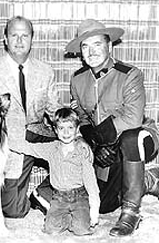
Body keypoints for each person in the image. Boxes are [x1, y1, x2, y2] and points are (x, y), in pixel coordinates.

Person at [65, 19, 159, 236]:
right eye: (85, 46)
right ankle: (148, 180)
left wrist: (101, 141)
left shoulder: (129, 74)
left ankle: (131, 212)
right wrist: (94, 145)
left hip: (140, 137)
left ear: (110, 46)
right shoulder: (78, 80)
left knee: (130, 139)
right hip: (104, 145)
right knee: (106, 204)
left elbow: (133, 119)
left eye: (97, 44)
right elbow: (81, 116)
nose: (91, 51)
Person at [0, 16, 62, 218]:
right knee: (14, 211)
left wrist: (75, 134)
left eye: (25, 35)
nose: (20, 41)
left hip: (38, 133)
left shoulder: (45, 71)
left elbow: (54, 110)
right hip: (11, 143)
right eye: (14, 35)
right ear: (5, 39)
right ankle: (25, 197)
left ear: (32, 39)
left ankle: (44, 192)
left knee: (80, 149)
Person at [14, 107, 100, 235]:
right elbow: (29, 148)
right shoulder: (52, 148)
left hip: (79, 196)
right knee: (50, 229)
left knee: (81, 230)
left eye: (70, 128)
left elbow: (91, 182)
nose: (66, 132)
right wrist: (5, 141)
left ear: (77, 130)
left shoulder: (82, 151)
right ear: (55, 130)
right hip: (59, 197)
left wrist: (94, 209)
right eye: (61, 128)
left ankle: (78, 217)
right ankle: (56, 211)